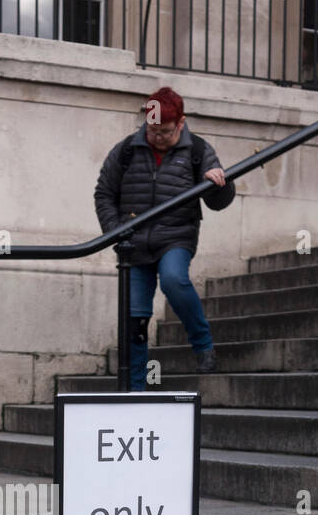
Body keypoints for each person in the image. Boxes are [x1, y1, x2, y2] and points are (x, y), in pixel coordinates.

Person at [93, 86, 236, 389]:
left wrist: (219, 184)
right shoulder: (127, 150)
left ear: (181, 123)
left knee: (173, 279)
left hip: (176, 236)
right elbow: (104, 193)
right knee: (135, 319)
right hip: (133, 243)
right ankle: (135, 389)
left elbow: (219, 203)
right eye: (153, 130)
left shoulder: (198, 150)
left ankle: (203, 346)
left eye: (166, 132)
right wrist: (115, 231)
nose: (158, 137)